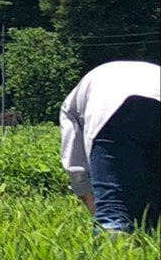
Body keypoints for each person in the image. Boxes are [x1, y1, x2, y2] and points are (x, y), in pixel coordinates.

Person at [59, 60, 160, 233]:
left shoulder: (70, 106)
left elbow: (74, 165)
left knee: (114, 213)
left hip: (112, 108)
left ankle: (115, 250)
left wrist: (96, 210)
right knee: (152, 208)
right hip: (156, 95)